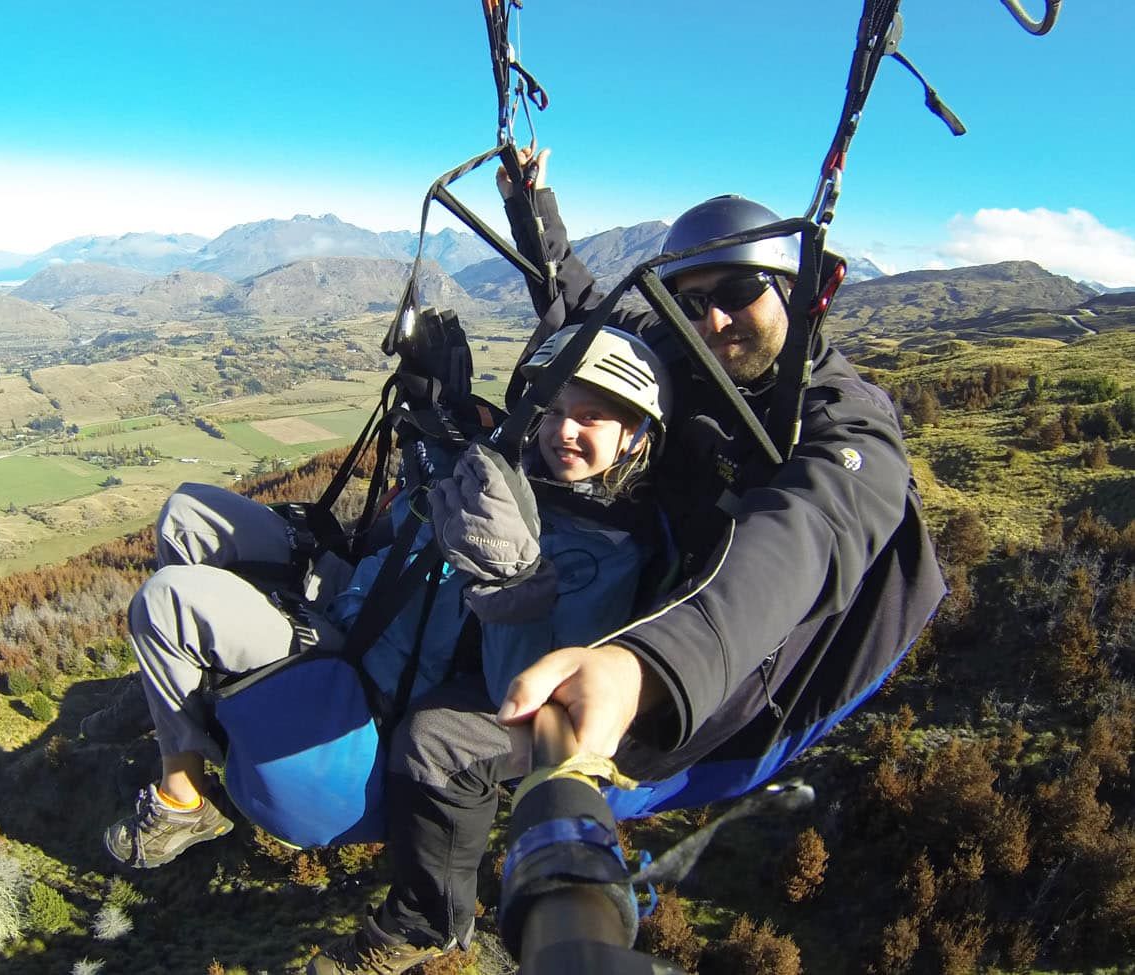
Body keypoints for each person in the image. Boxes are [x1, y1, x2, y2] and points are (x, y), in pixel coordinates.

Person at [305, 152, 944, 973]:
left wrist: (644, 667)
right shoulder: (685, 354)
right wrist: (531, 203)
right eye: (694, 300)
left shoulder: (845, 430)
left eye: (740, 292)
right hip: (620, 604)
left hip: (720, 686)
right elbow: (578, 304)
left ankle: (430, 918)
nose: (713, 320)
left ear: (799, 291)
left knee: (440, 736)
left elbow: (798, 543)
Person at [101, 324, 673, 875]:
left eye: (591, 417)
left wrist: (512, 586)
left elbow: (522, 692)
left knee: (169, 601)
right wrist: (435, 410)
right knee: (190, 511)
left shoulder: (606, 556)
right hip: (356, 597)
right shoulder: (517, 474)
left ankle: (183, 800)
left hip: (372, 671)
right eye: (554, 412)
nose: (563, 431)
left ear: (637, 436)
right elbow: (413, 519)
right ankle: (178, 696)